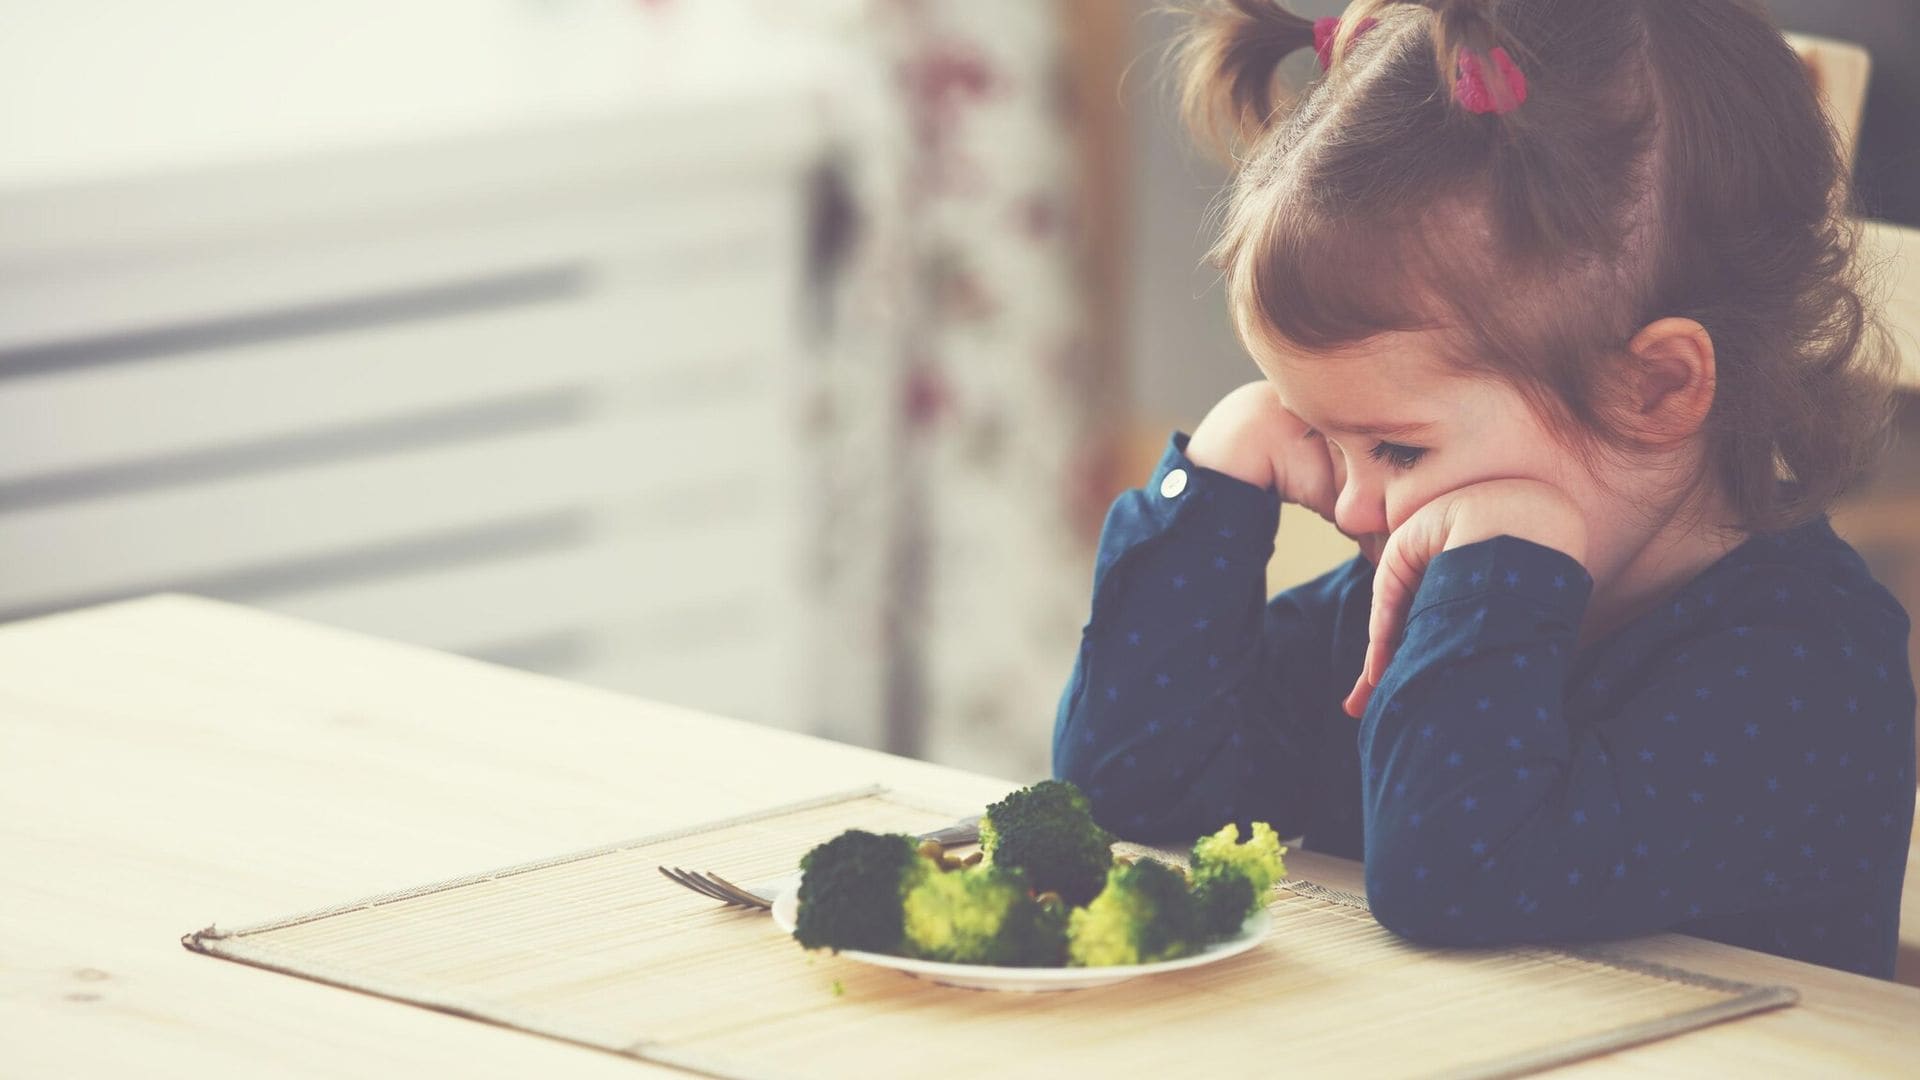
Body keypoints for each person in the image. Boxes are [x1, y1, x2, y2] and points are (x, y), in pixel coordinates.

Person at [1053, 0, 1916, 979]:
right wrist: (1210, 483)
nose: (1349, 507)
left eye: (1395, 449)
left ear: (1656, 390)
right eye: (1322, 436)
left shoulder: (1804, 671)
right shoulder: (1406, 594)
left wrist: (1506, 565)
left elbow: (1452, 881)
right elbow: (1132, 792)